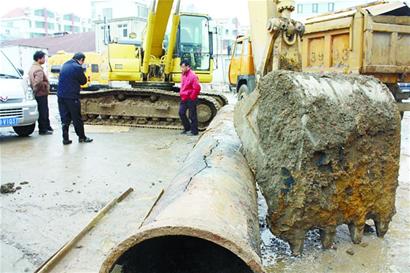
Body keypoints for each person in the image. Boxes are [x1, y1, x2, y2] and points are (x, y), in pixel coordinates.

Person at [57, 52, 93, 145]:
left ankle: (65, 139)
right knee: (76, 117)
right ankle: (82, 137)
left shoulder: (64, 65)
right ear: (81, 60)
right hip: (72, 97)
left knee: (64, 117)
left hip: (60, 96)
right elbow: (83, 81)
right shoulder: (77, 67)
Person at [28, 51, 53, 135]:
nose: (45, 60)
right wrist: (44, 86)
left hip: (37, 93)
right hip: (41, 93)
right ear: (39, 59)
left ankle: (46, 127)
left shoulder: (32, 67)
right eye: (43, 58)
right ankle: (43, 129)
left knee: (43, 110)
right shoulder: (38, 69)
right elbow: (38, 83)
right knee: (43, 111)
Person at [179, 59, 201, 136]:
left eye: (183, 67)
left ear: (188, 67)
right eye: (181, 67)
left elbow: (197, 88)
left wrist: (191, 97)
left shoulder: (193, 76)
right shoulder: (183, 74)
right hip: (184, 97)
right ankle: (187, 128)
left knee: (192, 115)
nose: (182, 68)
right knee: (181, 113)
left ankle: (194, 131)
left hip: (190, 98)